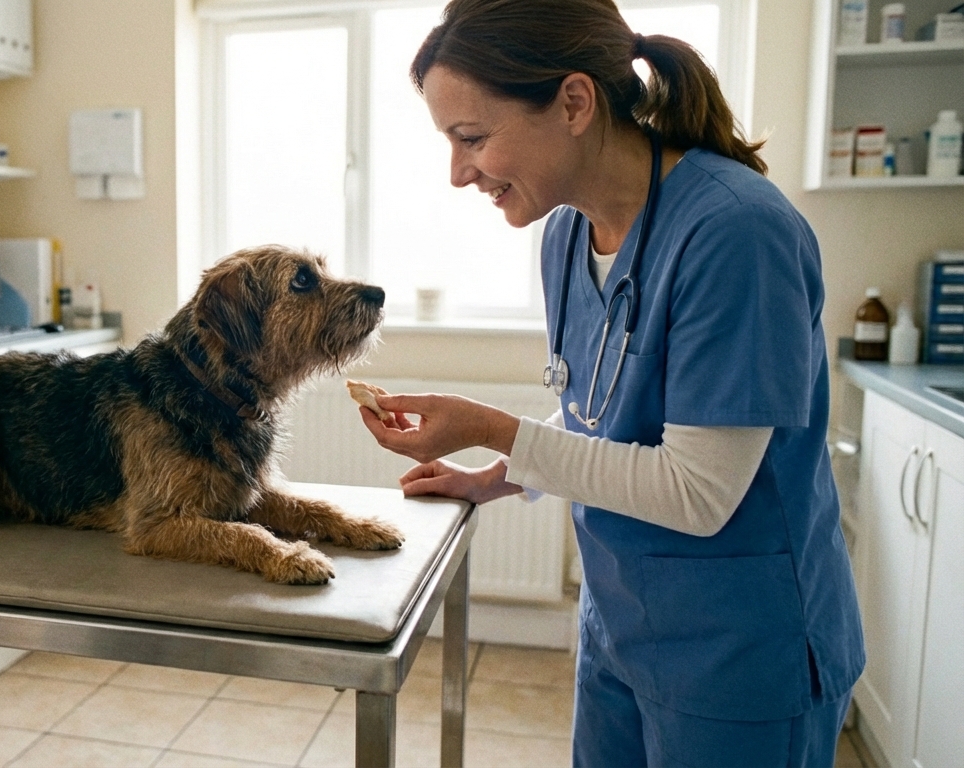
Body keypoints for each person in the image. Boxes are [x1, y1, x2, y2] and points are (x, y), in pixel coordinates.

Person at [358, 0, 865, 765]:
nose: (460, 174)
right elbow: (601, 420)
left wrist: (495, 428)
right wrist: (495, 476)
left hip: (740, 653)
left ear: (573, 102)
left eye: (472, 138)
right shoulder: (565, 231)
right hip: (623, 629)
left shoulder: (736, 232)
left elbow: (697, 492)